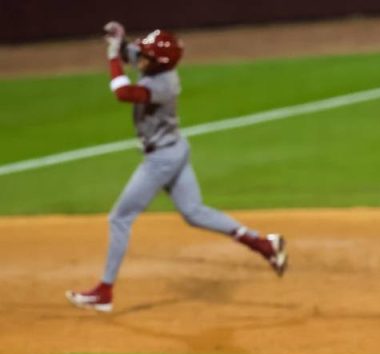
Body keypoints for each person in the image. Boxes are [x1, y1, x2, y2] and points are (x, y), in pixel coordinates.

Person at [65, 22, 287, 313]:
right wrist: (118, 41)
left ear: (158, 64)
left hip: (161, 160)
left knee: (120, 218)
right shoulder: (155, 66)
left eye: (145, 56)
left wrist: (111, 57)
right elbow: (128, 52)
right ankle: (263, 245)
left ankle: (104, 292)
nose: (138, 58)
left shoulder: (163, 85)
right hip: (176, 150)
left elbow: (122, 93)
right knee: (194, 213)